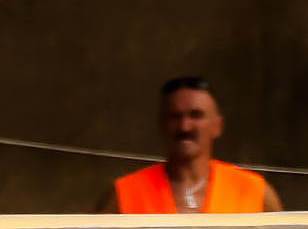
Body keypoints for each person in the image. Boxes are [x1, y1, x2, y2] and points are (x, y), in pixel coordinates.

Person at [101, 76, 285, 214]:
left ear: (217, 125)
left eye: (196, 115)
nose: (184, 126)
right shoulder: (125, 193)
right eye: (175, 116)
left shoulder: (254, 191)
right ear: (161, 124)